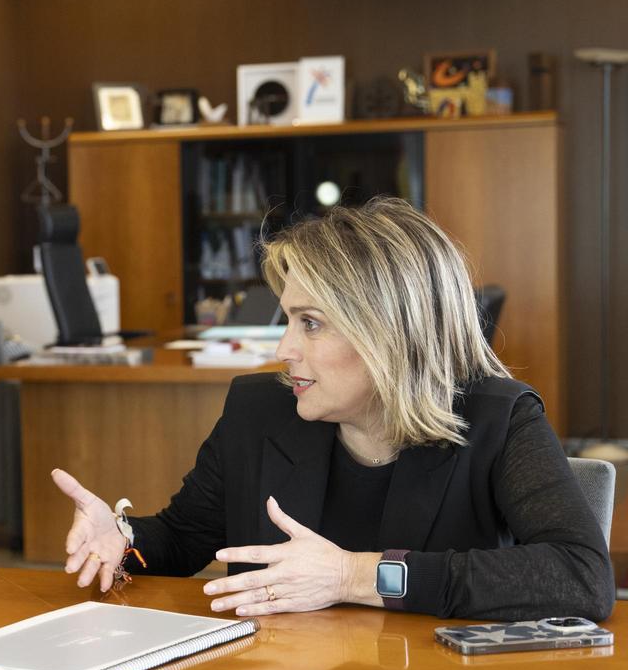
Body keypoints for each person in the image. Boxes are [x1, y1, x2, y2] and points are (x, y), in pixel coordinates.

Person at [55, 197, 614, 622]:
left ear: (389, 334)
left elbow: (581, 576)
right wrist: (123, 537)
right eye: (289, 320)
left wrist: (352, 575)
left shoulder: (500, 419)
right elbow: (182, 538)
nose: (283, 351)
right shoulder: (259, 411)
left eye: (312, 324)